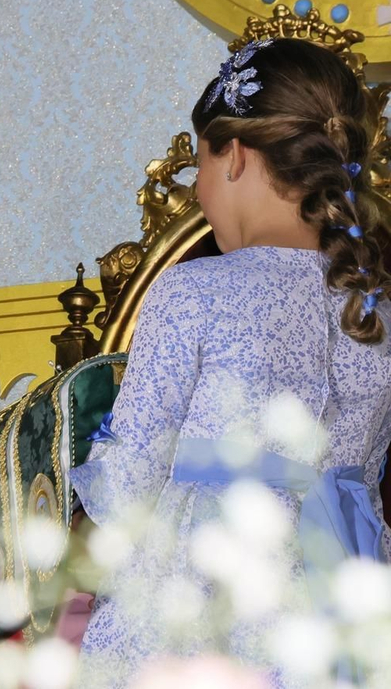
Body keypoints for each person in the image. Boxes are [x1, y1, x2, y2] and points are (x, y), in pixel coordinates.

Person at [71, 38, 391, 685]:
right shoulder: (376, 312)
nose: (197, 188)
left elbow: (129, 480)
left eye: (200, 166)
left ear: (235, 156)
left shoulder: (197, 291)